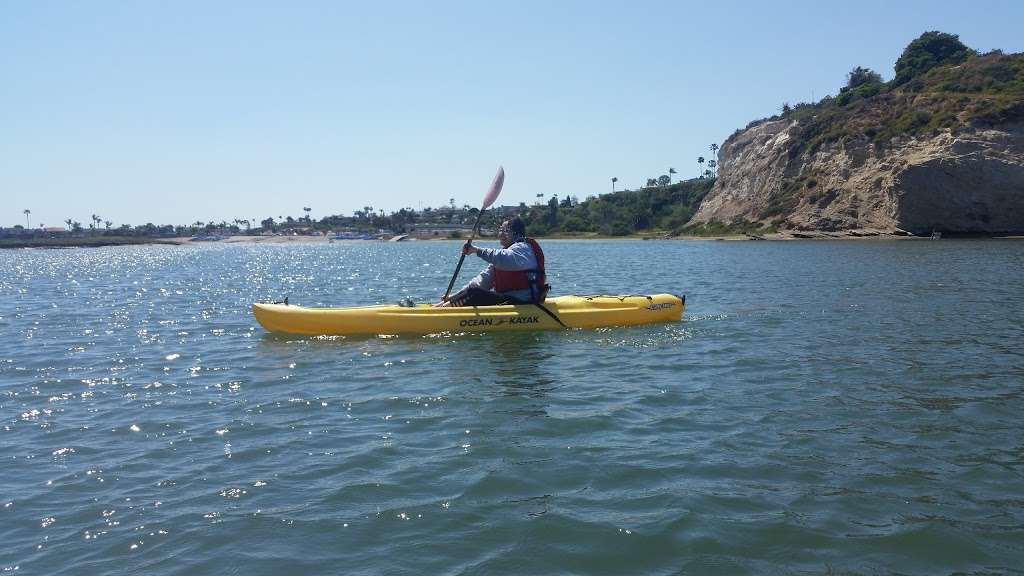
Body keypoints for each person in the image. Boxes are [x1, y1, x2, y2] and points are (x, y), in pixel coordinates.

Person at [436, 217, 548, 307]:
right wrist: (455, 296)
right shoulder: (503, 255)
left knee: (474, 293)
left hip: (525, 301)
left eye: (505, 231)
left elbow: (506, 260)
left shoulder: (523, 248)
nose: (501, 234)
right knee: (474, 290)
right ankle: (444, 306)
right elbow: (481, 282)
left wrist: (476, 250)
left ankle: (445, 310)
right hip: (508, 300)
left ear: (516, 233)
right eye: (500, 230)